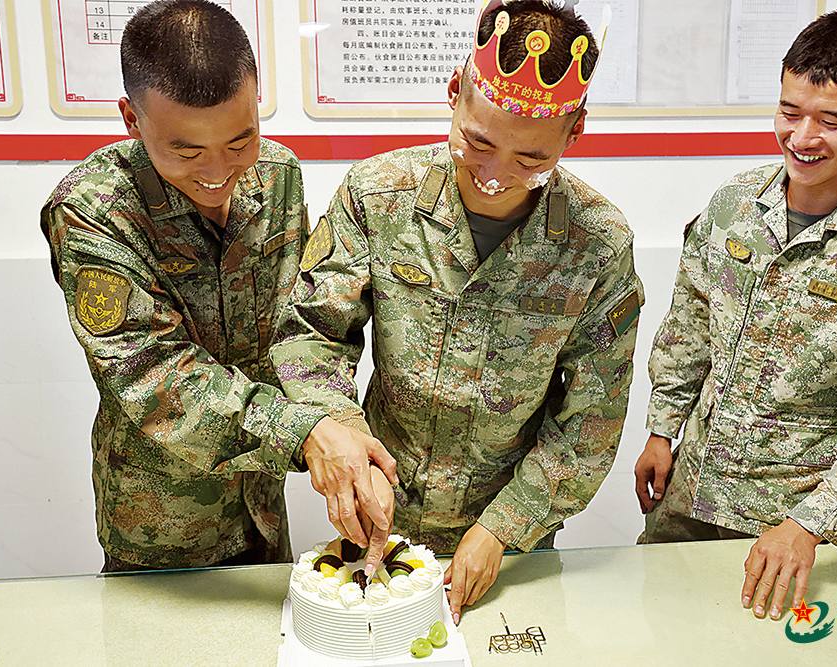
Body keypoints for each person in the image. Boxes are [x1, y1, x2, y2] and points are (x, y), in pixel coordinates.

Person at [272, 0, 642, 623]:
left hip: (510, 535)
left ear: (574, 132)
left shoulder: (597, 244)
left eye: (531, 160)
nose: (495, 175)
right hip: (380, 507)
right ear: (454, 92)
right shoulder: (378, 196)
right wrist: (345, 439)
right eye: (478, 142)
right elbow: (312, 334)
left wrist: (503, 528)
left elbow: (591, 419)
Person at [40, 0, 395, 572]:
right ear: (132, 119)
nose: (217, 171)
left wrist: (342, 428)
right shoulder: (93, 211)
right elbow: (155, 378)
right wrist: (307, 434)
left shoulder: (276, 175)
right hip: (163, 520)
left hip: (262, 500)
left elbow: (298, 325)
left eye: (238, 142)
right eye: (185, 150)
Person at [636, 9, 837, 620]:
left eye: (832, 121)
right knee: (662, 632)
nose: (802, 137)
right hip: (688, 494)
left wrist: (808, 526)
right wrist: (661, 428)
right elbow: (690, 325)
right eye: (789, 111)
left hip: (796, 532)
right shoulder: (734, 204)